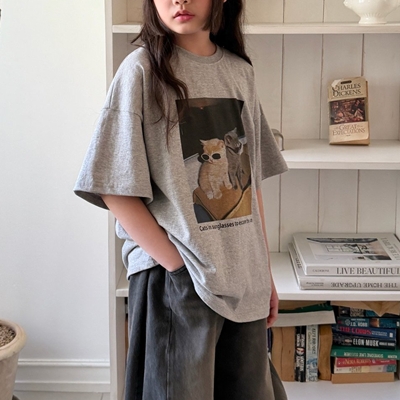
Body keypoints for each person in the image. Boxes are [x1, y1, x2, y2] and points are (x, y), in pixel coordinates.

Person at [74, 0, 288, 399]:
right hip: (175, 279)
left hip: (242, 277)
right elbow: (113, 186)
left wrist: (263, 272)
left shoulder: (240, 72)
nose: (180, 0)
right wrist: (176, 266)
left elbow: (249, 181)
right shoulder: (141, 70)